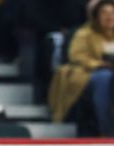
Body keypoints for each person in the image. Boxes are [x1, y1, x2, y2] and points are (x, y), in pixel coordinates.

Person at [49, 0, 114, 136]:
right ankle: (107, 131)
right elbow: (76, 56)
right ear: (96, 16)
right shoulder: (85, 33)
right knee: (104, 78)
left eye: (112, 13)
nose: (109, 17)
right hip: (89, 75)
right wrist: (99, 64)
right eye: (104, 13)